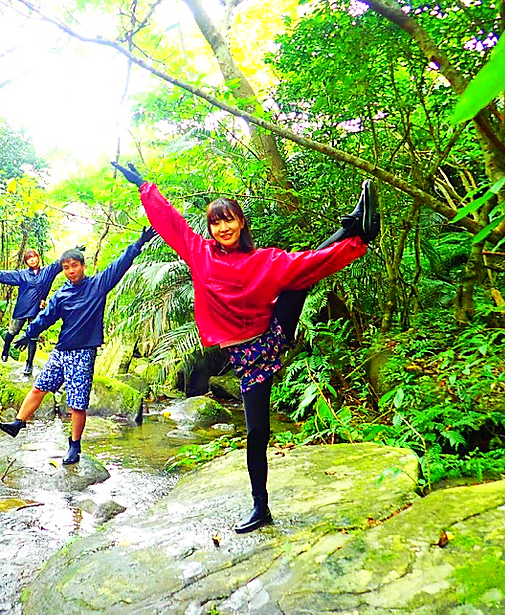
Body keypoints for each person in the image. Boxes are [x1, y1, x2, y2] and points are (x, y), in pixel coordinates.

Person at [112, 161, 378, 533]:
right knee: (257, 432)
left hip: (272, 333)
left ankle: (358, 230)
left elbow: (312, 263)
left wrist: (356, 247)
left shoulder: (262, 260)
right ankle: (261, 506)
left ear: (241, 223)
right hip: (245, 355)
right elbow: (170, 223)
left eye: (229, 220)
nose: (223, 227)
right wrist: (144, 186)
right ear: (210, 229)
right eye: (216, 222)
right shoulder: (200, 255)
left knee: (301, 271)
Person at [0, 228, 157, 464]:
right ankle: (17, 423)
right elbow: (45, 318)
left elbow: (119, 265)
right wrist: (27, 334)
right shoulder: (61, 294)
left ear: (83, 266)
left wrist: (139, 243)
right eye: (66, 267)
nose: (71, 271)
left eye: (75, 266)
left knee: (77, 403)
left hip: (83, 353)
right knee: (39, 387)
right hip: (61, 351)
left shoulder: (98, 285)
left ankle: (74, 446)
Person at [0, 247, 72, 377]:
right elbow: (8, 275)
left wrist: (72, 252)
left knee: (33, 336)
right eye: (29, 259)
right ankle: (5, 350)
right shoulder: (22, 274)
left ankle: (29, 364)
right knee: (13, 331)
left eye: (33, 257)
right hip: (22, 307)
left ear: (38, 257)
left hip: (36, 309)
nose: (32, 260)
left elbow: (59, 263)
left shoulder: (47, 272)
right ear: (26, 262)